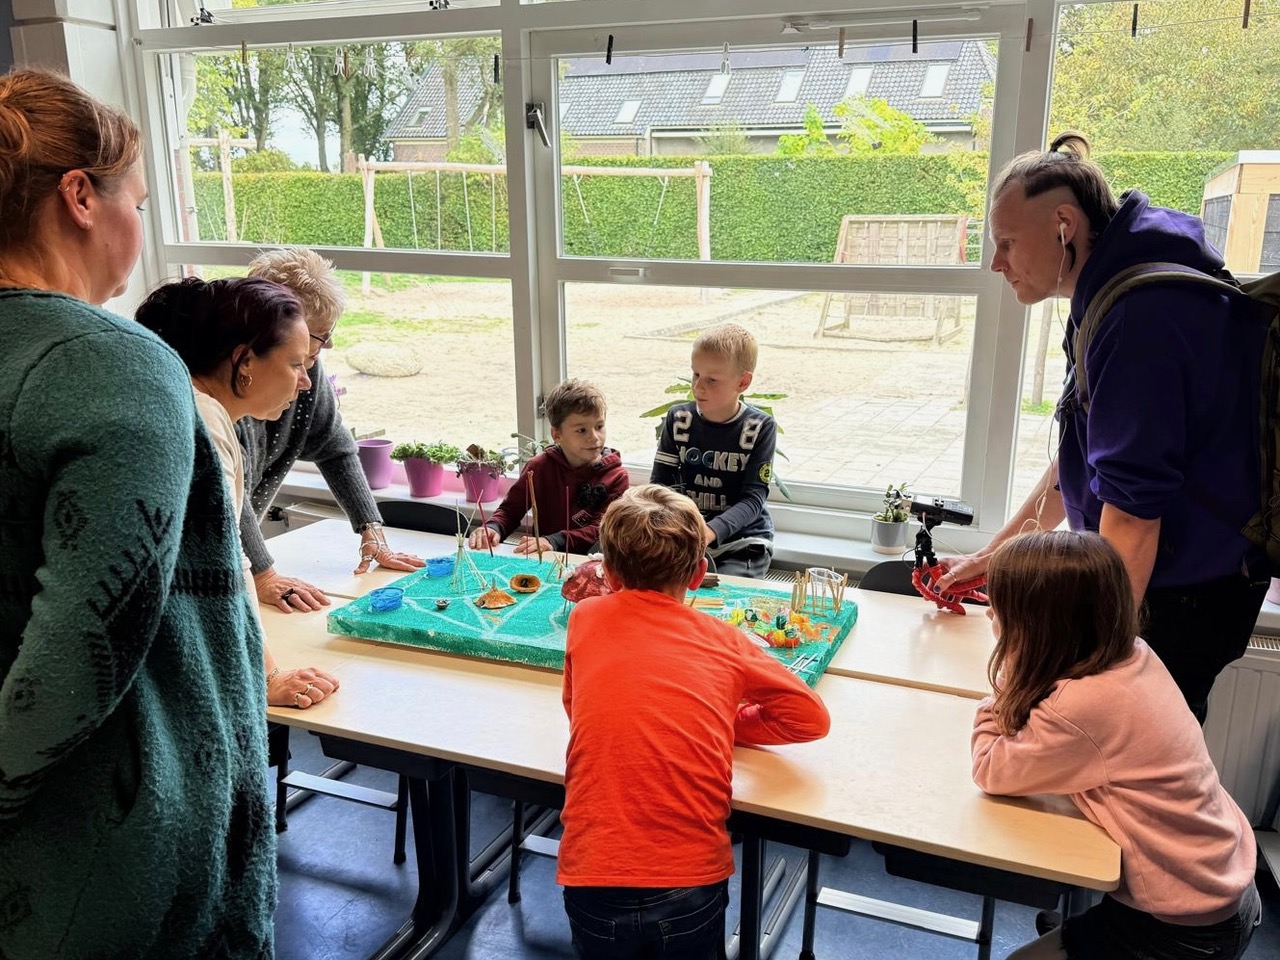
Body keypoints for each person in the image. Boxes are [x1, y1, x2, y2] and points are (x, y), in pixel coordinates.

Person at [0, 68, 275, 957]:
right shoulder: (113, 364)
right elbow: (82, 647)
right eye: (141, 203)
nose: (141, 227)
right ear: (81, 196)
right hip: (106, 847)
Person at [936, 132, 1270, 722]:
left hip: (1180, 597)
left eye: (1007, 242)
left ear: (1063, 225)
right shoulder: (1111, 289)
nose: (996, 263)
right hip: (1168, 584)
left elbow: (1134, 514)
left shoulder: (1141, 315)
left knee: (1129, 755)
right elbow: (1090, 457)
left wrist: (1097, 660)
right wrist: (998, 552)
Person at [558, 484, 830, 959]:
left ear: (610, 573)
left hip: (592, 872)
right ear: (701, 573)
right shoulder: (723, 638)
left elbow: (574, 705)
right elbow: (809, 719)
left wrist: (710, 716)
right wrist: (721, 719)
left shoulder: (585, 617)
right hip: (690, 877)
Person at [972, 530, 1260, 960]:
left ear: (1036, 627)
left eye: (999, 611)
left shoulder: (1081, 706)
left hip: (1183, 924)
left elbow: (989, 769)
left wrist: (1001, 689)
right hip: (1223, 880)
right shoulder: (1132, 652)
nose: (991, 616)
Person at [136, 276, 341, 710]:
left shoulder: (191, 405)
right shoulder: (205, 423)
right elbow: (224, 564)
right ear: (245, 361)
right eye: (295, 364)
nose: (306, 382)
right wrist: (266, 677)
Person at [237, 246, 423, 613]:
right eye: (320, 335)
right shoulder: (222, 394)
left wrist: (371, 530)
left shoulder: (307, 367)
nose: (328, 345)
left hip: (240, 554)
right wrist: (263, 574)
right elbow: (228, 494)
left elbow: (334, 446)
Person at [650, 322, 778, 578]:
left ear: (743, 382)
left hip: (742, 542)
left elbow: (753, 499)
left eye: (712, 380)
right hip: (684, 537)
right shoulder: (679, 419)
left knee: (728, 595)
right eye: (696, 374)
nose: (698, 386)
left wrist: (709, 532)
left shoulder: (760, 427)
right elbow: (661, 485)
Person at [468, 378, 628, 555]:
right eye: (581, 430)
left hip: (593, 563)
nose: (594, 437)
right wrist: (494, 528)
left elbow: (601, 530)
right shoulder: (538, 468)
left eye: (599, 426)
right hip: (546, 559)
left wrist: (553, 540)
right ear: (557, 435)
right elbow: (510, 510)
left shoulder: (617, 477)